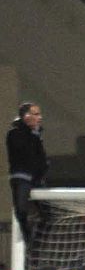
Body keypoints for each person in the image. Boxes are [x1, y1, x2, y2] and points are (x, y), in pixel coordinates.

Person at [7, 102, 47, 246]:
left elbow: (40, 158)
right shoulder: (15, 133)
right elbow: (25, 154)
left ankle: (36, 243)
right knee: (21, 211)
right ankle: (29, 241)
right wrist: (34, 135)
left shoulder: (36, 135)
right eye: (36, 114)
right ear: (26, 116)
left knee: (48, 214)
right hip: (22, 178)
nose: (40, 118)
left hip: (36, 180)